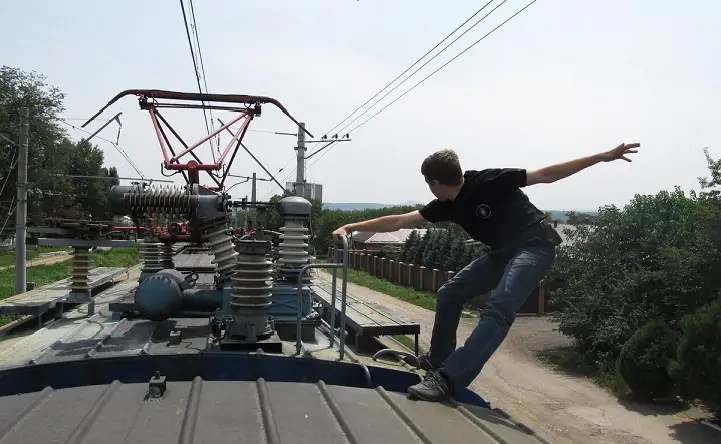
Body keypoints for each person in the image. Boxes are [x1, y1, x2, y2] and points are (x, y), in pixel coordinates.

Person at [332, 142, 640, 402]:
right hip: (502, 253)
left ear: (434, 182)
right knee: (450, 292)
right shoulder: (444, 205)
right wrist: (350, 226)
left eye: (428, 184)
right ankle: (438, 361)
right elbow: (399, 221)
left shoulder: (489, 180)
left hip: (535, 246)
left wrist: (601, 157)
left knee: (499, 309)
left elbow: (546, 175)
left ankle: (447, 379)